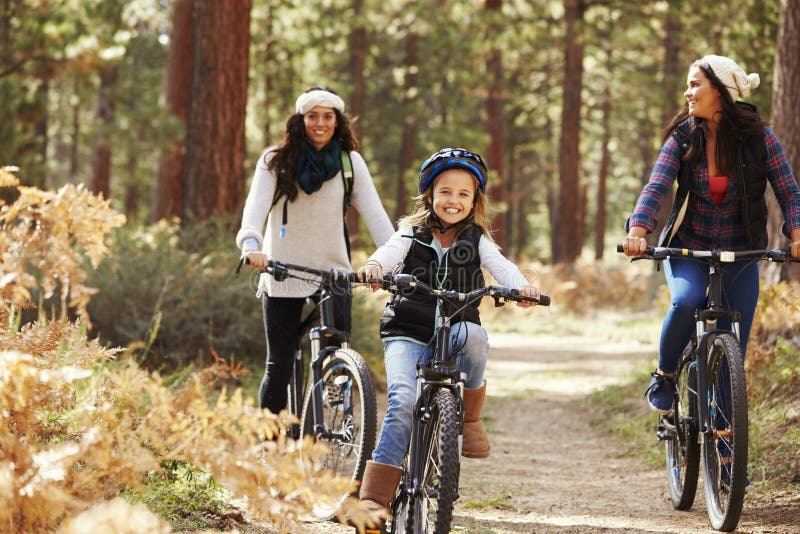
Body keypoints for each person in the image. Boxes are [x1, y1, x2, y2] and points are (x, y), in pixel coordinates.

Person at [622, 55, 800, 480]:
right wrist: (640, 228)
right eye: (687, 84)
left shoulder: (760, 138)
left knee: (731, 345)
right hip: (690, 249)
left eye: (695, 85)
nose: (687, 92)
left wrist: (796, 234)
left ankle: (725, 455)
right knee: (685, 302)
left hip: (741, 252)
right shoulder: (684, 137)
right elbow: (657, 185)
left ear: (719, 90)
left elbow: (789, 191)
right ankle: (665, 376)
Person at [347, 147, 541, 527]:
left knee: (475, 336)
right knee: (402, 399)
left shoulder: (477, 239)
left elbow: (501, 265)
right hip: (407, 331)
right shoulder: (411, 233)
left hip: (454, 331)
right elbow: (388, 252)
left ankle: (470, 419)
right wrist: (374, 267)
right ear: (430, 196)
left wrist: (522, 288)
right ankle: (373, 501)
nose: (454, 201)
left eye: (463, 194)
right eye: (445, 192)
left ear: (475, 200)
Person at [236, 86, 394, 414]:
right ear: (300, 119)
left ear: (338, 122)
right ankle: (272, 444)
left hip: (333, 273)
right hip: (282, 271)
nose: (320, 123)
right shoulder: (274, 162)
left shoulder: (350, 164)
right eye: (312, 116)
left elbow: (377, 219)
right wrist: (252, 245)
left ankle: (335, 417)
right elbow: (254, 212)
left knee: (336, 354)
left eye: (327, 116)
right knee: (278, 365)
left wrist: (394, 260)